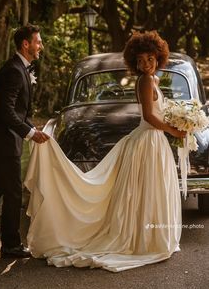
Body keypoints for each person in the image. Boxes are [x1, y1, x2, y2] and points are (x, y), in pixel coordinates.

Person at [24, 30, 186, 272]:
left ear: (158, 57)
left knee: (151, 189)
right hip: (148, 140)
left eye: (150, 59)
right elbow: (150, 116)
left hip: (153, 141)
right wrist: (173, 130)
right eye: (140, 60)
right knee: (146, 189)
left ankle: (152, 235)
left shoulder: (152, 79)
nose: (146, 65)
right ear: (134, 62)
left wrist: (179, 122)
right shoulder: (144, 81)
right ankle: (144, 238)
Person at [0, 24, 49, 258]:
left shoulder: (20, 69)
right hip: (3, 142)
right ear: (25, 44)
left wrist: (30, 126)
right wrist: (29, 132)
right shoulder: (14, 71)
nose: (40, 46)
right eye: (37, 42)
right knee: (14, 192)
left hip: (3, 140)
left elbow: (16, 109)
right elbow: (6, 111)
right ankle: (10, 244)